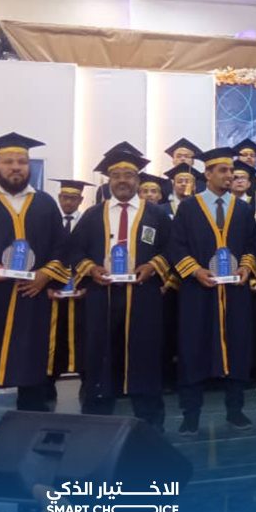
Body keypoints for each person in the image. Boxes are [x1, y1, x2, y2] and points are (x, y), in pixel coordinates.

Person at [65, 149, 171, 429]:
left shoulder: (156, 215)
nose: (122, 180)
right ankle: (97, 425)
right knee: (99, 357)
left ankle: (150, 424)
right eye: (116, 175)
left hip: (143, 296)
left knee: (145, 357)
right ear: (108, 180)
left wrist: (153, 266)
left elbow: (172, 249)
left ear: (138, 179)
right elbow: (74, 250)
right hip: (102, 297)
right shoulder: (93, 215)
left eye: (129, 175)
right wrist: (91, 269)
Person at [168, 147, 256, 435]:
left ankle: (236, 410)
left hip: (235, 292)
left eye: (231, 170)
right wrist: (195, 271)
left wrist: (246, 267)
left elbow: (252, 246)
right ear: (207, 174)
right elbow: (176, 246)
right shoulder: (189, 208)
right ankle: (191, 414)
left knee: (237, 347)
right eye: (222, 171)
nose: (229, 175)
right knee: (193, 349)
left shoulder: (242, 209)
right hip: (198, 292)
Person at [0, 133, 69, 438]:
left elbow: (63, 248)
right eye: (8, 161)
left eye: (21, 161)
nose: (15, 167)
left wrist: (46, 274)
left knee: (32, 360)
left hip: (32, 298)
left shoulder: (45, 203)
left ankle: (30, 428)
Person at [45, 179, 92, 401]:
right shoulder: (50, 223)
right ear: (59, 198)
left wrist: (87, 286)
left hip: (82, 294)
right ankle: (47, 385)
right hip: (53, 293)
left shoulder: (89, 222)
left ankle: (87, 384)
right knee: (52, 339)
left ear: (81, 200)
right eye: (65, 197)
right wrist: (47, 285)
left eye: (73, 198)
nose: (68, 202)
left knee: (84, 339)